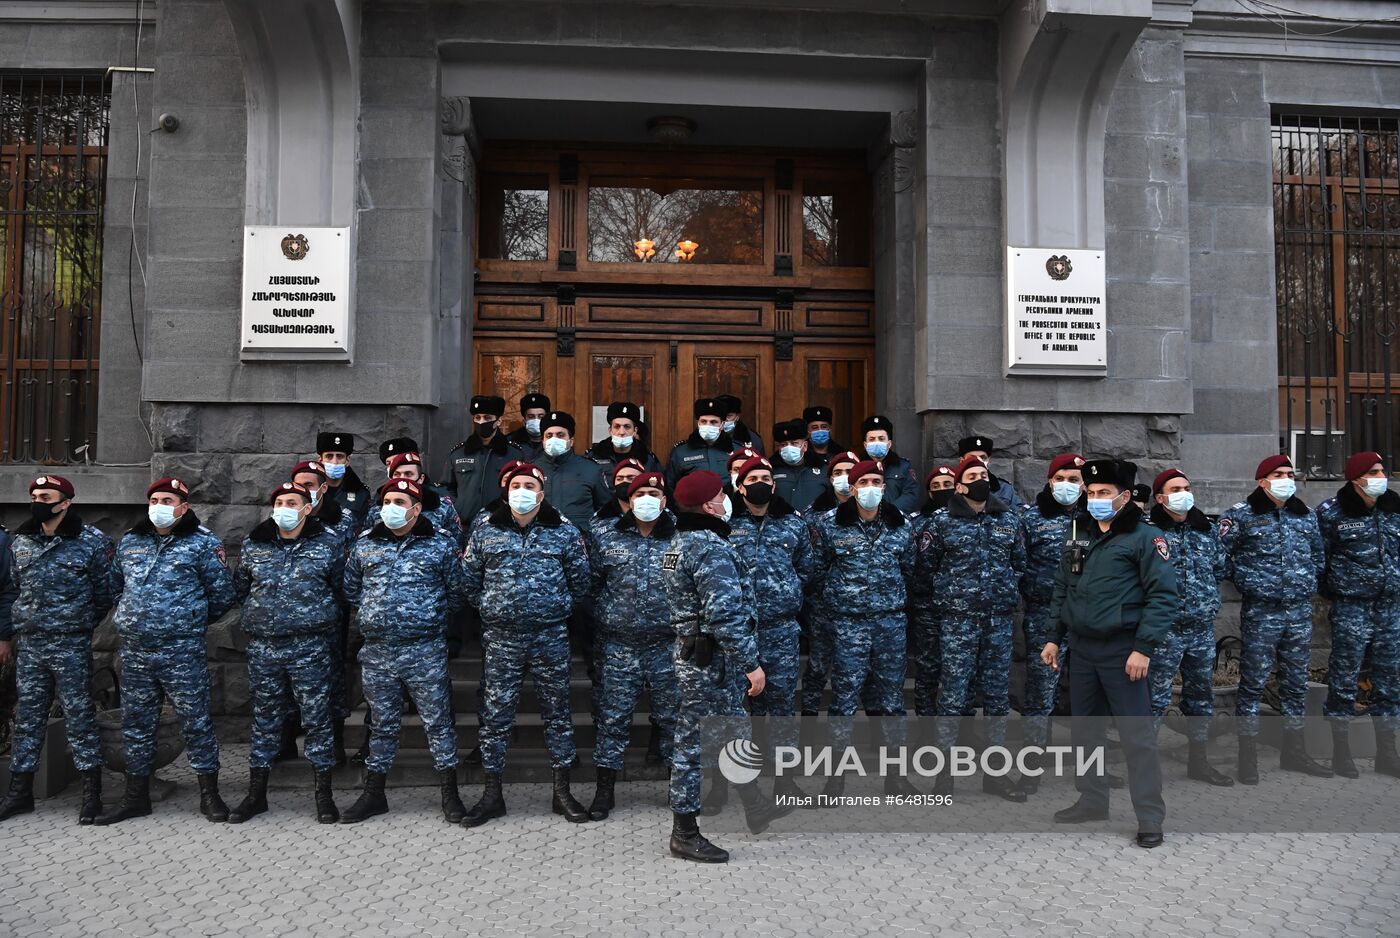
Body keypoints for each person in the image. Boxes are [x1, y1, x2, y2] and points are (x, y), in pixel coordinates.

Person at [1041, 459, 1174, 848]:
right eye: (1092, 493)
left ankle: (1150, 816)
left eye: (1104, 494)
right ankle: (1092, 800)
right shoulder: (1079, 530)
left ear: (1125, 497)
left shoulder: (1145, 539)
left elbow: (1163, 596)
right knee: (1086, 732)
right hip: (1082, 650)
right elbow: (1062, 587)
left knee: (1137, 737)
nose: (1095, 499)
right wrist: (1054, 637)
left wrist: (1143, 648)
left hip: (1123, 652)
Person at [96, 477, 237, 825]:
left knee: (197, 723)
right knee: (136, 725)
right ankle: (135, 797)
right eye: (155, 498)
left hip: (182, 650)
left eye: (168, 499)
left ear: (183, 507)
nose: (160, 505)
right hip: (137, 651)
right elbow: (116, 586)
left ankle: (210, 795)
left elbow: (222, 594)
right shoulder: (131, 541)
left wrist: (186, 618)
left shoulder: (203, 544)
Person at [461, 463, 591, 826]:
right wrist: (495, 607)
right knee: (496, 717)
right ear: (506, 491)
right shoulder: (487, 531)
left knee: (558, 714)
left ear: (542, 491)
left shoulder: (562, 532)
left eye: (529, 485)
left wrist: (555, 607)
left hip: (549, 635)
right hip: (502, 638)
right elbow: (469, 580)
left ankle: (562, 792)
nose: (522, 490)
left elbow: (580, 581)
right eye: (516, 484)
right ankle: (491, 794)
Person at [340, 478, 467, 824]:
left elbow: (457, 591)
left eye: (400, 500)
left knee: (438, 723)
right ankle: (373, 793)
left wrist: (427, 619)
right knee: (382, 724)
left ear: (416, 508)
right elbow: (352, 589)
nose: (391, 507)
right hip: (379, 651)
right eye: (387, 500)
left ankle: (450, 794)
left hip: (424, 649)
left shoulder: (439, 545)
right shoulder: (365, 546)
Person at [661, 470, 768, 863]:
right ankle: (684, 833)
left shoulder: (679, 543)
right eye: (722, 495)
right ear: (708, 505)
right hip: (710, 662)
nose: (727, 500)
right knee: (692, 745)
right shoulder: (708, 547)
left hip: (701, 656)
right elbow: (723, 615)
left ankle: (756, 805)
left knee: (735, 730)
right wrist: (751, 664)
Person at [229, 482, 345, 824]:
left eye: (291, 502)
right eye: (279, 502)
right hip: (264, 647)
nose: (284, 507)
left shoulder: (329, 544)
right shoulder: (256, 544)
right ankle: (256, 795)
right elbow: (241, 587)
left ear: (307, 508)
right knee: (265, 718)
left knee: (317, 719)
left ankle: (323, 796)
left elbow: (344, 588)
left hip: (311, 647)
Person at [918, 456, 1027, 802]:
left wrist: (1004, 589)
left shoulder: (1009, 519)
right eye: (972, 475)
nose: (980, 478)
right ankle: (944, 777)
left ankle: (995, 775)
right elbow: (925, 567)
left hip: (998, 620)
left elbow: (1019, 563)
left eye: (984, 473)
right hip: (958, 621)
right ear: (960, 485)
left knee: (996, 698)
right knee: (951, 697)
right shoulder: (941, 522)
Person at [1218, 454, 1332, 783]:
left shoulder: (1305, 516)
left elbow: (1318, 556)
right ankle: (1247, 757)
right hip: (1261, 611)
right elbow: (1219, 555)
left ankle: (1295, 753)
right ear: (1262, 481)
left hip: (1298, 610)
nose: (1286, 479)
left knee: (1296, 685)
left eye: (1289, 473)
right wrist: (1246, 578)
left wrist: (1306, 581)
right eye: (1278, 474)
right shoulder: (1240, 516)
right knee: (1253, 684)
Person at [0, 476, 106, 824]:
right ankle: (19, 793)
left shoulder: (90, 542)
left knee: (79, 717)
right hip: (31, 645)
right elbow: (15, 587)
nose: (37, 501)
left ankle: (92, 793)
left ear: (65, 503)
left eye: (45, 496)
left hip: (70, 644)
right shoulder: (22, 541)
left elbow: (106, 591)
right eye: (33, 495)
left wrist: (79, 621)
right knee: (28, 718)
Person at [809, 459, 917, 797]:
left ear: (884, 487)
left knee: (892, 702)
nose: (870, 488)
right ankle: (835, 779)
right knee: (843, 702)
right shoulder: (829, 525)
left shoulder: (902, 525)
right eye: (863, 482)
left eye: (876, 482)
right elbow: (818, 568)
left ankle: (896, 777)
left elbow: (911, 568)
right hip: (848, 625)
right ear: (852, 488)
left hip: (890, 623)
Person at [585, 470, 678, 820]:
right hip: (618, 646)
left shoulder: (682, 537)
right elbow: (590, 583)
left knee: (672, 719)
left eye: (655, 493)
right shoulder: (605, 535)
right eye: (640, 494)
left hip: (667, 646)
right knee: (612, 720)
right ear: (629, 499)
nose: (647, 500)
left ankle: (679, 788)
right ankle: (604, 790)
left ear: (665, 500)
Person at [727, 455, 815, 802]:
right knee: (735, 710)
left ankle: (784, 782)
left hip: (780, 629)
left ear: (774, 485)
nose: (761, 483)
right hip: (738, 630)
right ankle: (736, 785)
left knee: (780, 709)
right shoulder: (727, 522)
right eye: (753, 478)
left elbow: (805, 569)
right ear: (740, 486)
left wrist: (783, 594)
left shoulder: (792, 524)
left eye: (766, 477)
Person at [1146, 469, 1233, 787]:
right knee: (1154, 700)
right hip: (1163, 631)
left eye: (1186, 487)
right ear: (1160, 497)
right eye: (1175, 488)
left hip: (1200, 629)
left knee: (1200, 698)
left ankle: (1199, 761)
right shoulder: (1148, 532)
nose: (1183, 492)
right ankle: (1145, 768)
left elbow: (1221, 568)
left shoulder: (1206, 529)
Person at [1316, 451, 1400, 778]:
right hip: (1352, 607)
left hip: (1390, 608)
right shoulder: (1332, 513)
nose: (1382, 475)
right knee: (1344, 678)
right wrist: (1337, 592)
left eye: (1383, 470)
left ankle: (1388, 752)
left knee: (1389, 680)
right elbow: (1319, 559)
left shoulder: (1394, 508)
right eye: (1374, 471)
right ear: (1356, 478)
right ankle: (1341, 751)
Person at [1015, 453, 1085, 788]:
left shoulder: (1096, 516)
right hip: (1046, 618)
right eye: (1062, 478)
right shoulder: (1030, 519)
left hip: (1090, 619)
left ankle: (1093, 768)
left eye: (1075, 480)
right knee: (1041, 694)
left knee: (1090, 694)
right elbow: (1017, 564)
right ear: (1050, 481)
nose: (1068, 485)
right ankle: (1031, 769)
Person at [292, 458, 355, 763]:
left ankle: (336, 742)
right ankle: (286, 739)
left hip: (329, 617)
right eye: (299, 485)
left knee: (333, 680)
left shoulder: (341, 521)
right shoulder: (284, 517)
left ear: (323, 488)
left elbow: (348, 572)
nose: (303, 491)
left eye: (309, 486)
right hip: (286, 618)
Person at [798, 450, 861, 715]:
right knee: (818, 665)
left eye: (850, 471)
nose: (844, 478)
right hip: (823, 604)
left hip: (860, 608)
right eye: (838, 472)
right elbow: (810, 561)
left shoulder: (877, 512)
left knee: (853, 669)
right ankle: (810, 718)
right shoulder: (814, 515)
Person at [909, 464, 956, 717]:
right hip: (926, 607)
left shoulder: (967, 518)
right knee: (927, 669)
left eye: (947, 485)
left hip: (958, 609)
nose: (941, 491)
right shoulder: (917, 522)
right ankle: (925, 726)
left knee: (957, 672)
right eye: (935, 487)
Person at [442, 395, 525, 527]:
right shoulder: (458, 453)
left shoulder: (514, 454)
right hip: (463, 526)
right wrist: (457, 508)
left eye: (487, 418)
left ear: (498, 421)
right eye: (477, 417)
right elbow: (446, 487)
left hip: (500, 526)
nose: (481, 422)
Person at [365, 452, 465, 548]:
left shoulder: (443, 507)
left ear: (421, 478)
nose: (403, 479)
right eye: (397, 474)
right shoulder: (378, 509)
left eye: (408, 474)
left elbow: (457, 542)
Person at [536, 411, 612, 528]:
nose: (554, 439)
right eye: (549, 436)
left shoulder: (591, 469)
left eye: (560, 435)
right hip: (541, 541)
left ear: (571, 441)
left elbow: (605, 509)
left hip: (581, 540)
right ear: (543, 441)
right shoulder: (532, 470)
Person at [665, 398, 737, 489]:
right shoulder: (680, 452)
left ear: (722, 425)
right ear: (698, 423)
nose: (708, 425)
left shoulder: (736, 450)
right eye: (703, 421)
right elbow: (670, 487)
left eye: (713, 422)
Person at [859, 415, 919, 513]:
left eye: (881, 438)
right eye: (872, 439)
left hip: (896, 519)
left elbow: (911, 494)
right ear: (865, 445)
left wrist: (890, 512)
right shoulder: (857, 466)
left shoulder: (903, 466)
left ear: (889, 443)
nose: (877, 442)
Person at [770, 419, 829, 513]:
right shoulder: (770, 470)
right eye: (783, 444)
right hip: (781, 525)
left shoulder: (823, 469)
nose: (788, 447)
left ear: (805, 446)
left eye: (794, 443)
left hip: (816, 525)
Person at [586, 401, 663, 473]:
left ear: (635, 431)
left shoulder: (647, 458)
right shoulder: (595, 456)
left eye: (627, 427)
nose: (622, 432)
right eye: (617, 426)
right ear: (610, 430)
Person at [316, 431, 371, 532]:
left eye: (340, 456)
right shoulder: (312, 490)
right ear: (320, 461)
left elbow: (364, 528)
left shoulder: (361, 493)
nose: (334, 462)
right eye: (329, 456)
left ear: (348, 460)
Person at [956, 435, 1020, 507]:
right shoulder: (951, 487)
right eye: (972, 458)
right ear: (962, 461)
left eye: (983, 458)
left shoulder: (1005, 489)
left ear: (989, 460)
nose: (978, 461)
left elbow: (1019, 514)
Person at [505, 392, 551, 462]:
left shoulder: (555, 441)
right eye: (531, 417)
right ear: (524, 421)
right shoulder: (511, 442)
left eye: (541, 417)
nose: (536, 420)